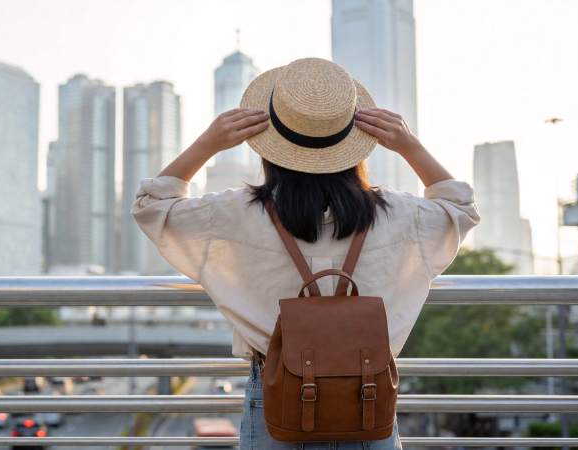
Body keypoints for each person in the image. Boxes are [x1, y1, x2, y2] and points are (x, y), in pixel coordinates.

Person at [132, 58, 480, 450]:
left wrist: (208, 142)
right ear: (354, 147)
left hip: (276, 399)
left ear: (269, 147)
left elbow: (153, 205)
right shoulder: (400, 215)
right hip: (367, 398)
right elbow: (460, 208)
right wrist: (409, 145)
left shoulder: (233, 215)